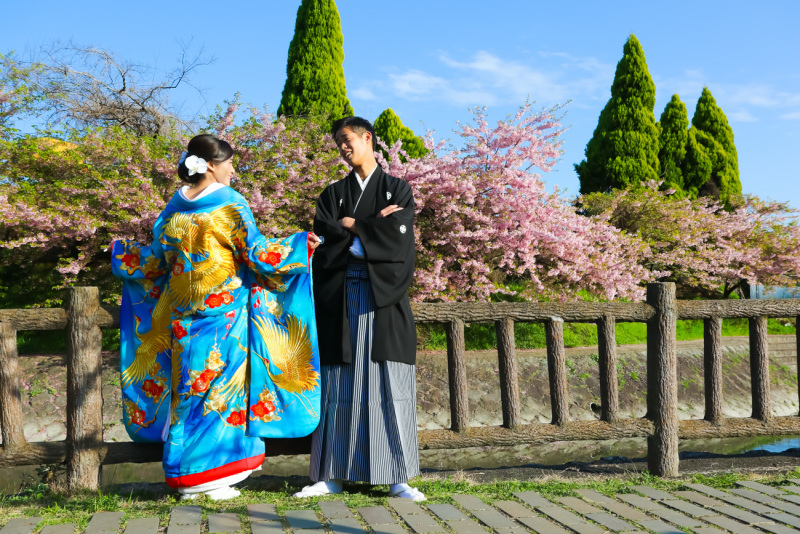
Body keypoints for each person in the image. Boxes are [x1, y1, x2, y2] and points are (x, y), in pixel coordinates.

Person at [111, 134, 322, 500]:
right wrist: (299, 244)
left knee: (189, 393)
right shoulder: (232, 204)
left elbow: (156, 262)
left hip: (182, 316)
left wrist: (122, 254)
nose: (232, 170)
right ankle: (209, 478)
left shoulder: (172, 209)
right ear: (210, 165)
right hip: (224, 316)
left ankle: (186, 476)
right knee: (219, 394)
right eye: (229, 163)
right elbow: (257, 253)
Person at [293, 117, 424, 501]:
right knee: (339, 386)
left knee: (388, 384)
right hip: (343, 300)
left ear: (368, 138)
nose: (343, 147)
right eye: (338, 143)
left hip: (383, 302)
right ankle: (329, 475)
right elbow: (325, 240)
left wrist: (353, 225)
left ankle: (398, 475)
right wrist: (368, 228)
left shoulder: (397, 188)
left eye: (348, 140)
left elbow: (399, 243)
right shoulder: (332, 194)